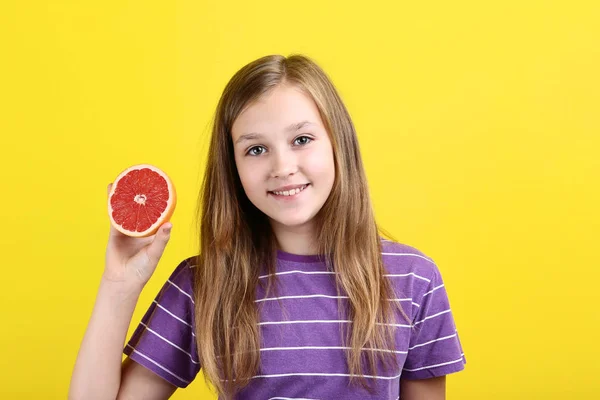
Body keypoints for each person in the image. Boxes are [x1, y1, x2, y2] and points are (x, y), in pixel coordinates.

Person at [69, 54, 466, 400]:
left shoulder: (414, 279)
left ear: (338, 143)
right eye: (256, 149)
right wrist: (118, 285)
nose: (282, 167)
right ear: (234, 167)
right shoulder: (204, 283)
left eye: (302, 139)